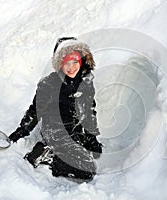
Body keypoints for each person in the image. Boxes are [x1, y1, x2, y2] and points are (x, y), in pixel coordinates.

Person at [8, 37, 103, 183]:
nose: (71, 67)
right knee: (87, 170)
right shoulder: (50, 83)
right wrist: (22, 130)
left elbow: (89, 109)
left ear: (82, 61)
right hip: (55, 130)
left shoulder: (86, 82)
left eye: (75, 62)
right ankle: (47, 154)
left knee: (89, 153)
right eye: (67, 63)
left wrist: (91, 136)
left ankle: (56, 151)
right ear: (60, 64)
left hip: (74, 130)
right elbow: (36, 111)